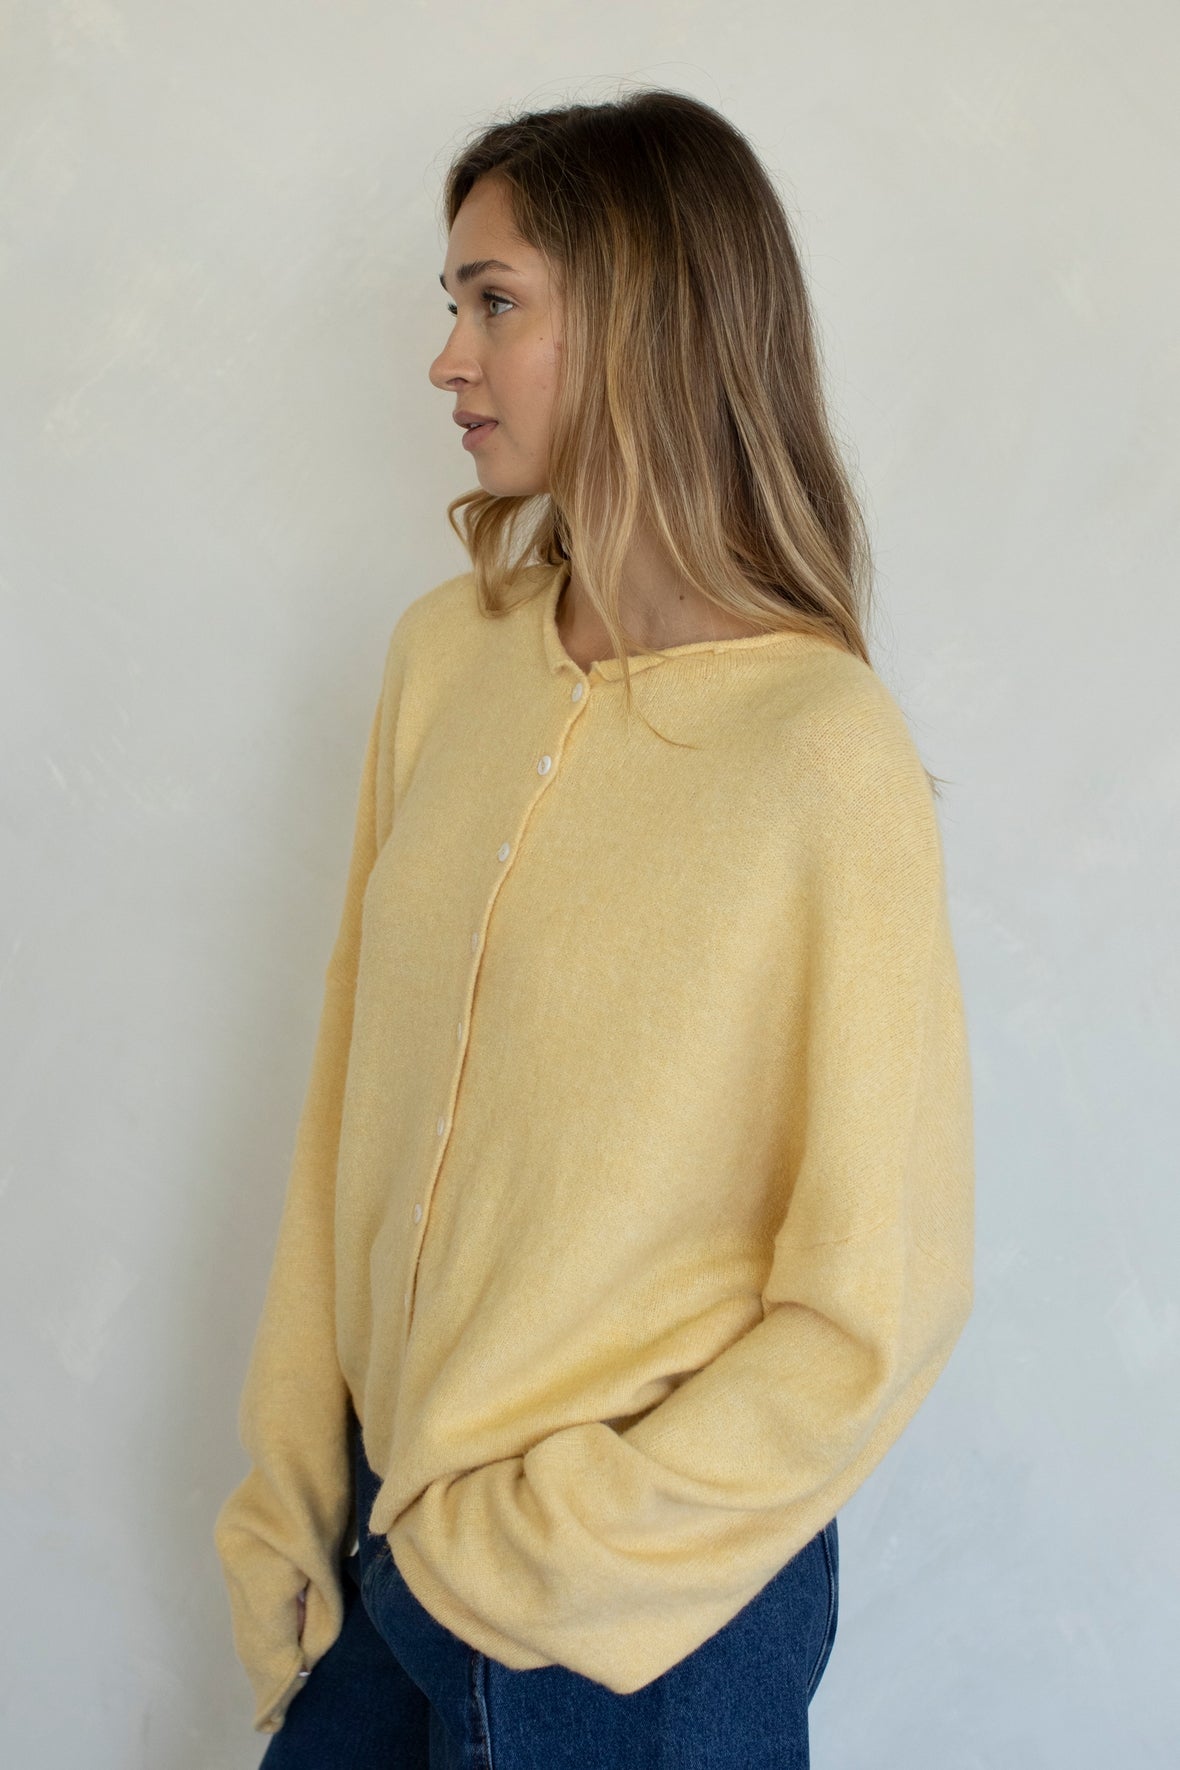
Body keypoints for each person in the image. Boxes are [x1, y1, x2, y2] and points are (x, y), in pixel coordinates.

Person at [213, 87, 975, 1769]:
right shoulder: (444, 661)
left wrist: (566, 1538)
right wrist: (294, 1501)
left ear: (644, 313)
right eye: (452, 303)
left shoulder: (819, 749)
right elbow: (348, 1103)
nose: (449, 359)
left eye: (496, 301)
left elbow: (880, 1291)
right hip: (390, 1556)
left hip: (643, 1634)